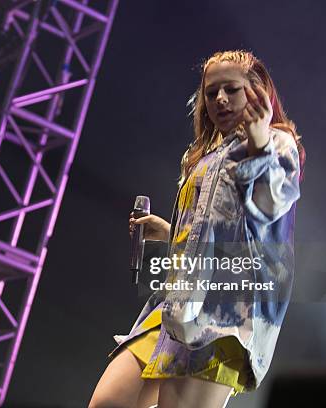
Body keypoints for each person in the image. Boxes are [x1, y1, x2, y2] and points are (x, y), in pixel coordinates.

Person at [88, 50, 306, 408]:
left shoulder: (276, 143)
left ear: (256, 92)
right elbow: (216, 227)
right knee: (109, 401)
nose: (219, 99)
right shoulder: (204, 154)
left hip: (222, 310)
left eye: (231, 89)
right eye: (211, 92)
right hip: (177, 302)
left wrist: (260, 143)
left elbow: (270, 209)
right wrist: (171, 231)